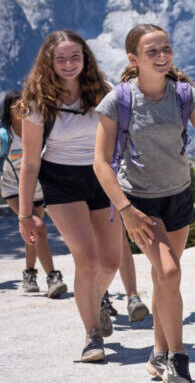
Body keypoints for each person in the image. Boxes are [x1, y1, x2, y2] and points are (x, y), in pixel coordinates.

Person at [94, 24, 195, 383]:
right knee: (171, 272)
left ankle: (157, 355)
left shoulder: (185, 94)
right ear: (134, 59)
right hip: (141, 204)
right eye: (152, 52)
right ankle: (178, 357)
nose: (162, 57)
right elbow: (99, 161)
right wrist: (126, 211)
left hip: (178, 194)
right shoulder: (118, 101)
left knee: (164, 280)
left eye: (166, 49)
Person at [16, 31, 120, 363]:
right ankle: (92, 336)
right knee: (87, 259)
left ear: (86, 58)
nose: (68, 64)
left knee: (111, 261)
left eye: (75, 56)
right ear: (49, 62)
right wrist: (25, 213)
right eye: (60, 58)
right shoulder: (37, 102)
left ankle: (95, 298)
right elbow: (30, 162)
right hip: (60, 181)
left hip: (100, 175)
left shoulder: (104, 94)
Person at [2, 90, 66, 297]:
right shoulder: (5, 136)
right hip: (13, 191)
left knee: (31, 232)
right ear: (8, 111)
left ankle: (29, 274)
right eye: (17, 106)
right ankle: (53, 277)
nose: (22, 109)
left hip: (37, 190)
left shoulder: (38, 128)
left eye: (25, 105)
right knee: (37, 227)